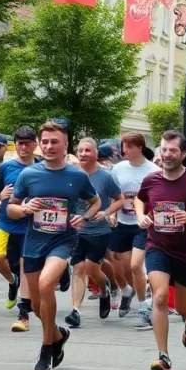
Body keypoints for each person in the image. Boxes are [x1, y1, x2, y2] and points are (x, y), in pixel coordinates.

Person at [7, 121, 99, 370]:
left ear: (65, 144)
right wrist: (25, 208)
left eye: (54, 142)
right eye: (44, 141)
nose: (48, 146)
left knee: (47, 284)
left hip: (63, 240)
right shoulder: (28, 175)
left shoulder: (77, 176)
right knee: (37, 306)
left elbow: (95, 200)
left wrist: (86, 217)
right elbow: (11, 208)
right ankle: (58, 335)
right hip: (34, 242)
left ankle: (46, 347)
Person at [135, 130, 186, 370]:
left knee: (183, 306)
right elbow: (140, 198)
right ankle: (163, 356)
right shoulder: (151, 180)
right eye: (164, 150)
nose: (167, 155)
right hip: (157, 245)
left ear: (183, 154)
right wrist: (141, 216)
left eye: (172, 151)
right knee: (158, 296)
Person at [65, 137, 124, 327]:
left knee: (92, 268)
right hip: (77, 230)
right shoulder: (71, 174)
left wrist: (106, 213)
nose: (83, 154)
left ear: (96, 154)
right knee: (79, 269)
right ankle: (75, 311)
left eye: (87, 150)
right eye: (80, 150)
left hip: (99, 231)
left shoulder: (105, 176)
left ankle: (104, 289)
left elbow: (120, 199)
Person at [0, 126, 39, 331]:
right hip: (5, 222)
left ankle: (23, 312)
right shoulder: (7, 168)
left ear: (35, 144)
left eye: (27, 143)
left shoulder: (41, 167)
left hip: (29, 225)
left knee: (25, 264)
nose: (23, 147)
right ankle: (12, 281)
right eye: (20, 143)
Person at [110, 133, 160, 325]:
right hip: (123, 223)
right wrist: (112, 214)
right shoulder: (118, 169)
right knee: (123, 267)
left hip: (142, 224)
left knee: (135, 265)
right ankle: (132, 293)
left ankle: (143, 307)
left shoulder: (153, 171)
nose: (125, 151)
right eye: (123, 147)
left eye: (129, 147)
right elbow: (116, 196)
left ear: (139, 148)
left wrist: (150, 216)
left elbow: (157, 198)